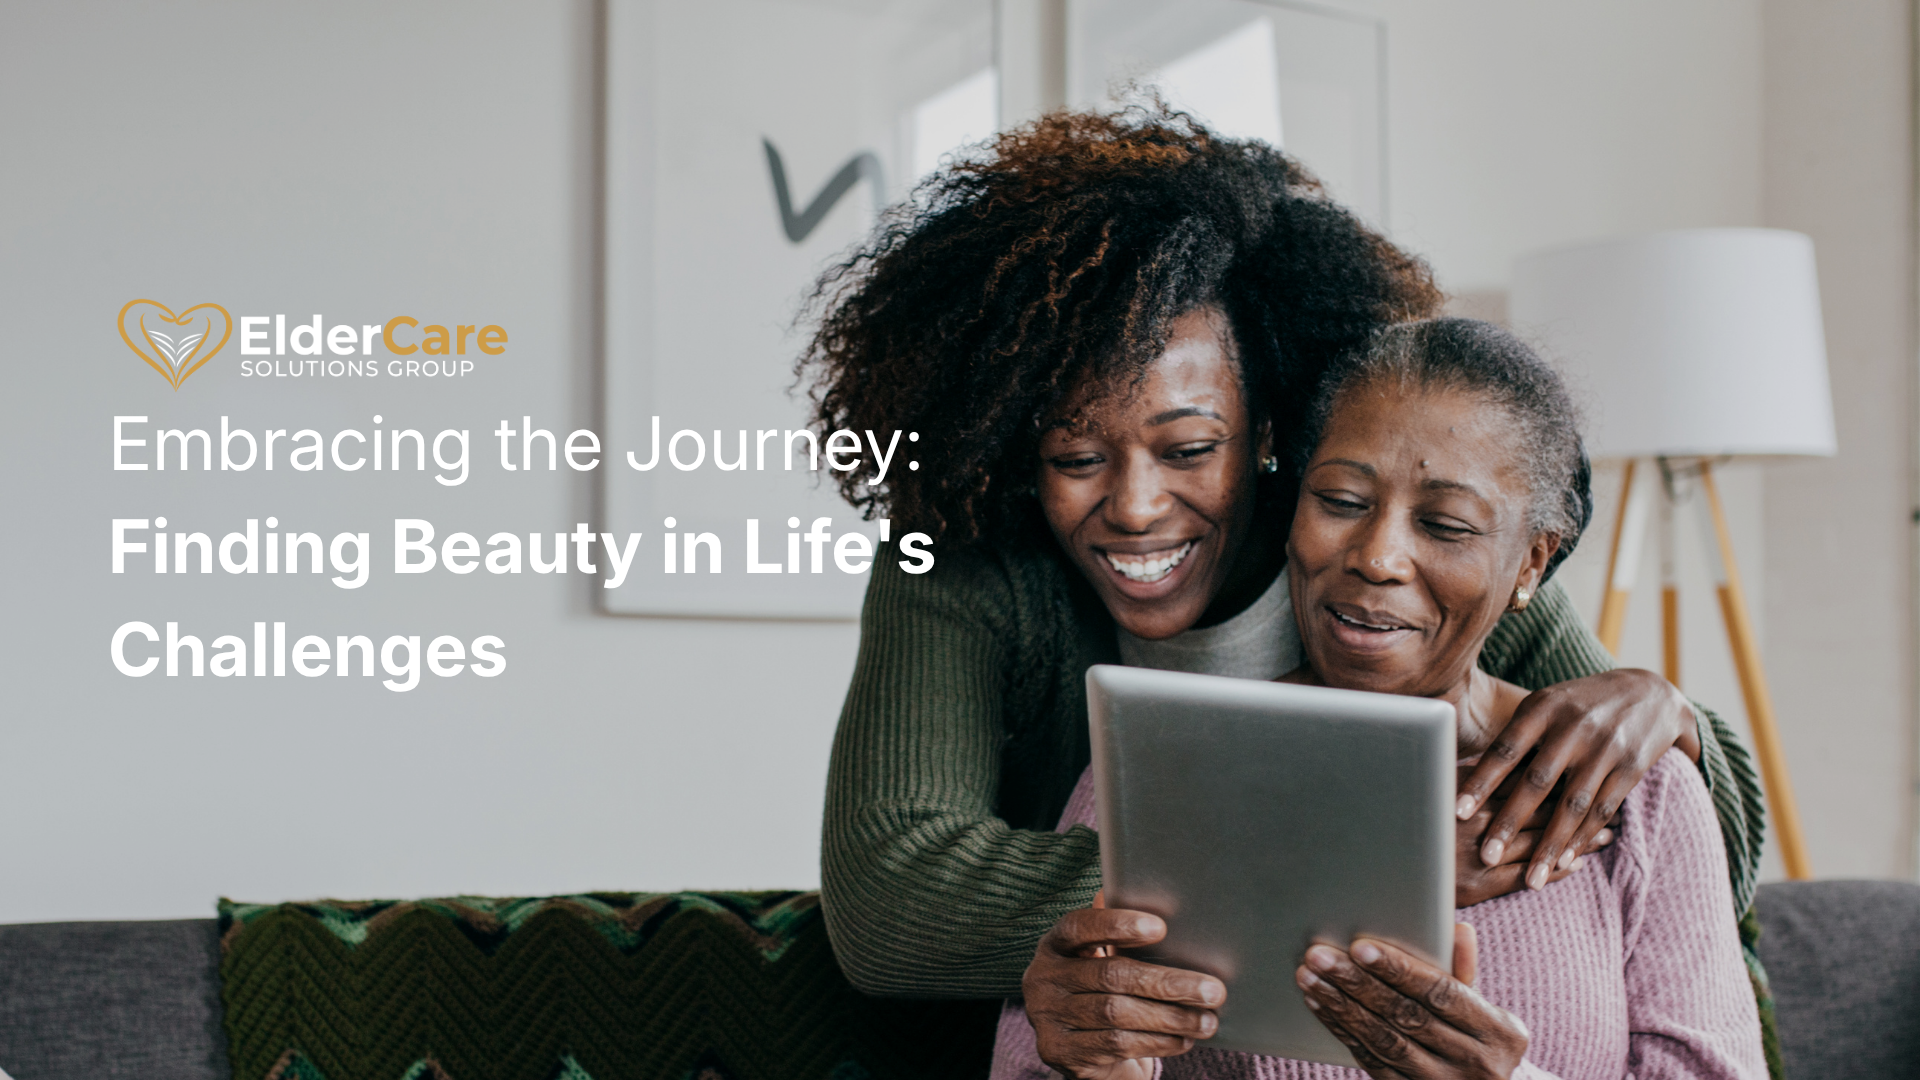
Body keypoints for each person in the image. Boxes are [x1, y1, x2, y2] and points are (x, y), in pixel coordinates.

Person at [801, 104, 1764, 1008]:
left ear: (1269, 431)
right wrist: (1359, 861)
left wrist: (1667, 715)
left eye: (1189, 450)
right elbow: (891, 906)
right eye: (1076, 457)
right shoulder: (966, 555)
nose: (1135, 508)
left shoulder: (1392, 553)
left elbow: (1704, 852)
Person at [1001, 318, 1766, 1079]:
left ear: (1532, 561)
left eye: (1444, 524)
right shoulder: (1153, 768)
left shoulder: (1644, 797)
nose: (1376, 556)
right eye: (1340, 500)